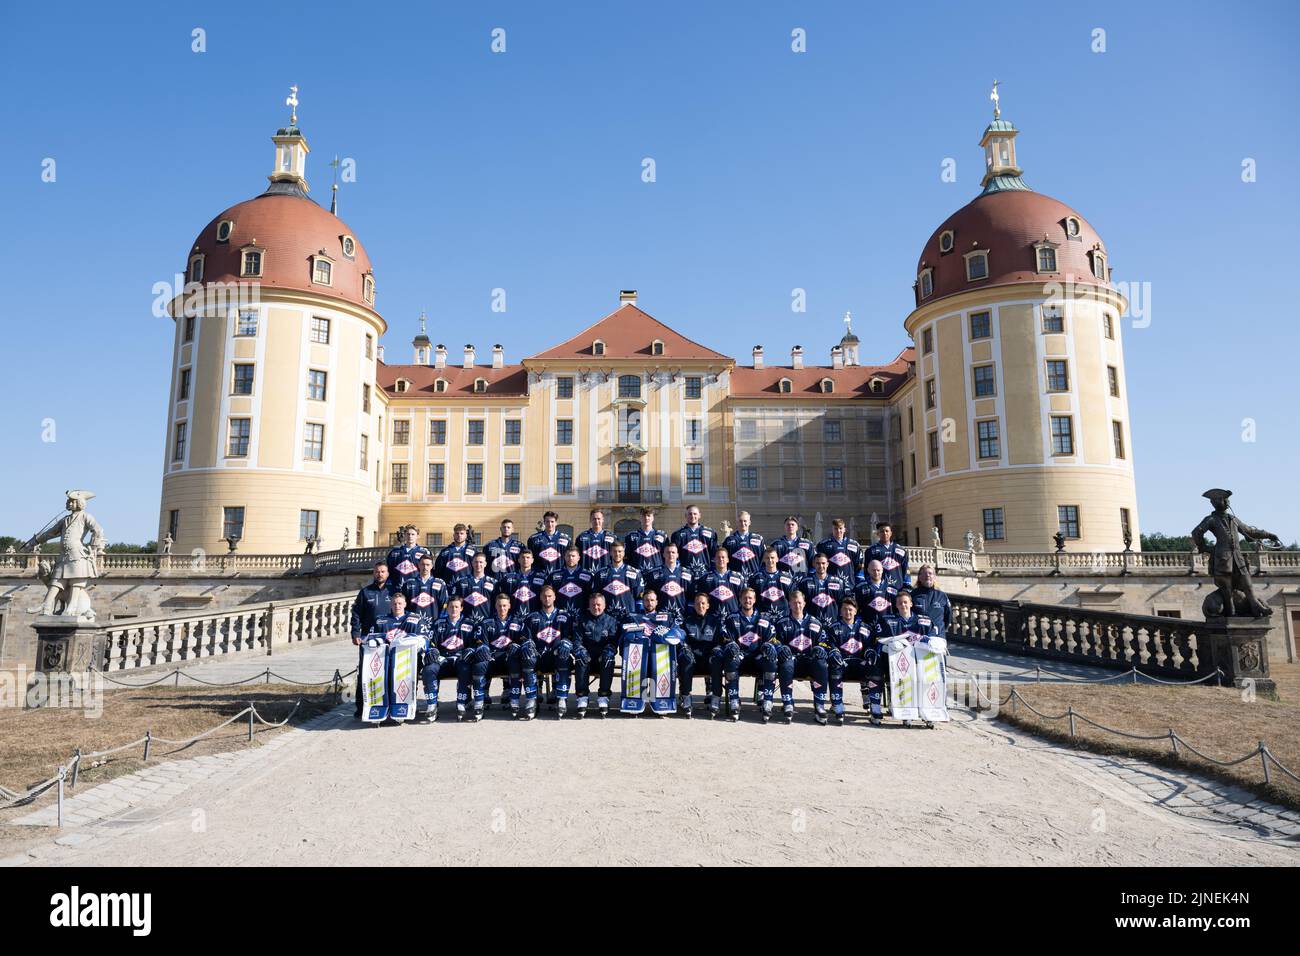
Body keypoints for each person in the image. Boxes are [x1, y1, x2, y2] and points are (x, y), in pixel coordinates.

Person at [874, 589, 947, 728]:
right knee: (904, 677)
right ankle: (905, 711)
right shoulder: (888, 621)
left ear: (911, 604)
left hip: (922, 662)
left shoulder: (924, 621)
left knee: (927, 677)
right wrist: (891, 644)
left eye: (906, 602)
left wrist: (927, 641)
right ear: (896, 605)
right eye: (900, 603)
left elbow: (934, 637)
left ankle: (928, 711)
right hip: (900, 663)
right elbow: (879, 641)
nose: (903, 605)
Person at [716, 587, 779, 722]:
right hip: (740, 656)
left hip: (757, 656)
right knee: (731, 659)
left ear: (755, 600)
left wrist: (769, 645)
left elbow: (772, 638)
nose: (747, 600)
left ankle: (767, 700)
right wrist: (730, 644)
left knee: (771, 660)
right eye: (745, 598)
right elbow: (725, 637)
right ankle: (734, 700)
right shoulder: (732, 618)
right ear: (740, 599)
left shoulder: (764, 619)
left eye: (750, 598)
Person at [619, 589, 682, 718]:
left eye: (652, 600)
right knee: (639, 668)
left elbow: (679, 632)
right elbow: (623, 636)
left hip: (659, 658)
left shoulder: (666, 617)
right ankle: (637, 702)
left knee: (657, 669)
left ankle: (657, 702)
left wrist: (672, 634)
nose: (649, 603)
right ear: (642, 602)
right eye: (647, 600)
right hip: (638, 657)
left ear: (657, 602)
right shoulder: (633, 617)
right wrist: (629, 634)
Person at [425, 594, 489, 722]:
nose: (454, 609)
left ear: (461, 608)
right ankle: (431, 704)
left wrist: (470, 650)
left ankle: (461, 702)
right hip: (442, 660)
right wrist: (432, 651)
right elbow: (431, 643)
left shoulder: (470, 624)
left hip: (461, 659)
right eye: (451, 607)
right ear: (447, 608)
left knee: (465, 669)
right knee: (429, 669)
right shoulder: (438, 623)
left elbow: (476, 643)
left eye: (456, 607)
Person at [774, 590, 831, 724]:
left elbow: (824, 641)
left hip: (809, 661)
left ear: (804, 603)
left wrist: (821, 648)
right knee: (786, 664)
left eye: (799, 603)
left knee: (821, 664)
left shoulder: (815, 623)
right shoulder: (782, 623)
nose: (797, 605)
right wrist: (781, 648)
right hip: (791, 661)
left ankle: (819, 705)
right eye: (794, 603)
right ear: (789, 604)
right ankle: (788, 702)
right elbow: (775, 642)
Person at [519, 585, 576, 719]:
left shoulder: (564, 616)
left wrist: (567, 642)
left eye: (550, 596)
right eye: (544, 596)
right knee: (527, 658)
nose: (547, 598)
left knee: (565, 657)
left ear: (555, 597)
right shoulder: (532, 617)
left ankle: (561, 697)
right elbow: (524, 636)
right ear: (540, 597)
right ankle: (531, 699)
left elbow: (572, 636)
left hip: (556, 656)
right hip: (539, 657)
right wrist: (526, 643)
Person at [350, 560, 396, 717]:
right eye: (377, 571)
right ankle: (361, 706)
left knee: (387, 672)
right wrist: (355, 634)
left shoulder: (394, 591)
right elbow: (356, 614)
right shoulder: (365, 592)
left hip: (389, 639)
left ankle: (388, 705)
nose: (380, 574)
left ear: (388, 573)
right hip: (368, 639)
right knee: (365, 672)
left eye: (383, 571)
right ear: (373, 573)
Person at [827, 598, 879, 725]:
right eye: (844, 609)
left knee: (875, 667)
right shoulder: (834, 628)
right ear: (840, 611)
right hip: (842, 665)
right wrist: (833, 652)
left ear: (856, 611)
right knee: (834, 667)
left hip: (859, 665)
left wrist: (870, 653)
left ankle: (875, 707)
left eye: (850, 609)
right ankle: (837, 704)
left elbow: (870, 646)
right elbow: (830, 644)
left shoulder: (865, 628)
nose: (847, 612)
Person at [571, 592, 621, 718]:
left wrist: (608, 651)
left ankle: (603, 696)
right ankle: (582, 697)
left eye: (599, 604)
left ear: (604, 605)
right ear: (589, 605)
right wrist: (581, 651)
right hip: (586, 659)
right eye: (593, 605)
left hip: (602, 660)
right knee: (580, 657)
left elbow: (613, 643)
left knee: (608, 657)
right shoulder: (581, 620)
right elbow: (577, 641)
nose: (596, 607)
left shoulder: (611, 621)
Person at [478, 593, 529, 715]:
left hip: (509, 658)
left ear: (510, 606)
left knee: (516, 662)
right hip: (493, 658)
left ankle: (514, 697)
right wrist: (485, 650)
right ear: (495, 606)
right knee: (481, 662)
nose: (502, 608)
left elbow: (522, 640)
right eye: (500, 606)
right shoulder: (486, 623)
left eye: (505, 605)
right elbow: (483, 644)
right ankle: (482, 696)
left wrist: (517, 646)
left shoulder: (517, 622)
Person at [679, 592, 721, 717]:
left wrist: (716, 650)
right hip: (693, 659)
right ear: (694, 606)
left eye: (703, 603)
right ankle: (686, 698)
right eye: (697, 603)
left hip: (709, 659)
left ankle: (716, 698)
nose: (700, 606)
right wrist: (685, 649)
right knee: (685, 659)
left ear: (708, 605)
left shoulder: (715, 622)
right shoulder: (687, 622)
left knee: (717, 659)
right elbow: (682, 641)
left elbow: (720, 642)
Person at [693, 547, 745, 622]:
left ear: (728, 559)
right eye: (718, 557)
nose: (721, 559)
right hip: (712, 621)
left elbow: (743, 599)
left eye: (723, 557)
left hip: (733, 620)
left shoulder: (738, 578)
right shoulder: (705, 578)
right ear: (714, 560)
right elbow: (700, 600)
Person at [644, 542, 693, 621]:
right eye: (668, 552)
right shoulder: (654, 574)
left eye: (673, 552)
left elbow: (691, 597)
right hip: (660, 618)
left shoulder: (687, 574)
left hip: (681, 618)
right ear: (663, 554)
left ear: (677, 555)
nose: (671, 555)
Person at [595, 541, 643, 621]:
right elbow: (596, 597)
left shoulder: (635, 573)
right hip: (606, 619)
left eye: (620, 551)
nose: (617, 554)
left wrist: (637, 617)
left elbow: (639, 598)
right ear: (610, 553)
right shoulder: (600, 573)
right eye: (614, 551)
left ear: (624, 553)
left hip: (629, 618)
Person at [798, 553, 848, 625]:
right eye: (818, 563)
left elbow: (844, 603)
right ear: (813, 564)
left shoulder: (838, 582)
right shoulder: (805, 582)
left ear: (827, 564)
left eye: (823, 563)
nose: (821, 566)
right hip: (811, 625)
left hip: (834, 625)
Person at [750, 547, 796, 620]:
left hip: (784, 619)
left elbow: (793, 599)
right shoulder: (756, 577)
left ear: (777, 559)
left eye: (772, 557)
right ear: (764, 559)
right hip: (763, 619)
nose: (770, 560)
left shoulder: (787, 577)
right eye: (767, 558)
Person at [450, 552, 497, 622]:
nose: (478, 565)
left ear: (485, 564)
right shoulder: (461, 582)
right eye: (476, 562)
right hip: (465, 622)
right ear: (472, 563)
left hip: (486, 622)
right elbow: (455, 603)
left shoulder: (493, 583)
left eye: (481, 562)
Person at [853, 559, 898, 631]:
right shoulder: (860, 588)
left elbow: (897, 609)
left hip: (888, 628)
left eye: (878, 570)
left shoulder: (892, 588)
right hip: (868, 628)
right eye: (873, 570)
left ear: (882, 570)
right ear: (868, 570)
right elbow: (856, 608)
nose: (876, 573)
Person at [402, 554, 447, 626]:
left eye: (428, 565)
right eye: (423, 564)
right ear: (418, 565)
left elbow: (444, 604)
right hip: (413, 625)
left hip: (434, 624)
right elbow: (403, 606)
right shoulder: (408, 583)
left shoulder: (440, 583)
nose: (425, 567)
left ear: (432, 566)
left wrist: (441, 621)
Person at [908, 564, 952, 638]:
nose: (927, 575)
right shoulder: (912, 595)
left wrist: (939, 630)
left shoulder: (942, 596)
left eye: (930, 573)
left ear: (934, 577)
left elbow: (948, 617)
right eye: (924, 573)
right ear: (919, 577)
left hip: (937, 638)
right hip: (918, 638)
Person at [671, 506, 717, 576]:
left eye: (695, 514)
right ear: (685, 516)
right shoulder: (677, 534)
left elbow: (714, 555)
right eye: (690, 514)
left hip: (706, 575)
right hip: (685, 575)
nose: (692, 516)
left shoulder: (710, 533)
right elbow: (674, 556)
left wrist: (713, 572)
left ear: (699, 515)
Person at [549, 545, 595, 614]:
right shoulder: (554, 575)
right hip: (559, 616)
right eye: (568, 556)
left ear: (579, 557)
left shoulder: (588, 575)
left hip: (582, 616)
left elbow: (592, 597)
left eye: (573, 556)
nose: (570, 558)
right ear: (564, 557)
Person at [501, 549, 548, 616]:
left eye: (528, 557)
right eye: (523, 557)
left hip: (535, 616)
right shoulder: (509, 578)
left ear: (532, 560)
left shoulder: (541, 578)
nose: (525, 560)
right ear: (519, 560)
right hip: (514, 618)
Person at [816, 518, 863, 583]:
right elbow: (818, 564)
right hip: (830, 584)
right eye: (836, 528)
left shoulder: (854, 545)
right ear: (832, 530)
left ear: (844, 529)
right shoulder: (823, 545)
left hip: (849, 583)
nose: (838, 531)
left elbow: (858, 565)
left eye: (840, 528)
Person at [722, 511, 764, 582]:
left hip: (754, 578)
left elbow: (763, 559)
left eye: (745, 521)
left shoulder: (758, 539)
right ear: (737, 522)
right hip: (735, 580)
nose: (743, 523)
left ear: (749, 522)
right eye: (740, 521)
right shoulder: (729, 540)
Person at [866, 521, 909, 590]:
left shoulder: (901, 550)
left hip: (897, 589)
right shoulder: (871, 551)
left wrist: (907, 586)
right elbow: (866, 570)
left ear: (891, 533)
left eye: (887, 531)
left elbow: (906, 569)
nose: (885, 533)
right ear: (878, 534)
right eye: (882, 531)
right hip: (879, 590)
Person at [624, 508, 667, 572]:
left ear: (653, 518)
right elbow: (626, 557)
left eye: (649, 516)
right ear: (640, 518)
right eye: (644, 516)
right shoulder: (631, 536)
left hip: (657, 573)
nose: (646, 518)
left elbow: (667, 556)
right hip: (637, 574)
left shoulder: (662, 535)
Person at [576, 508, 617, 573]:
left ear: (603, 520)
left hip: (606, 574)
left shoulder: (611, 537)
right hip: (586, 574)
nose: (596, 521)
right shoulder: (582, 537)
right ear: (590, 520)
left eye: (599, 519)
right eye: (594, 519)